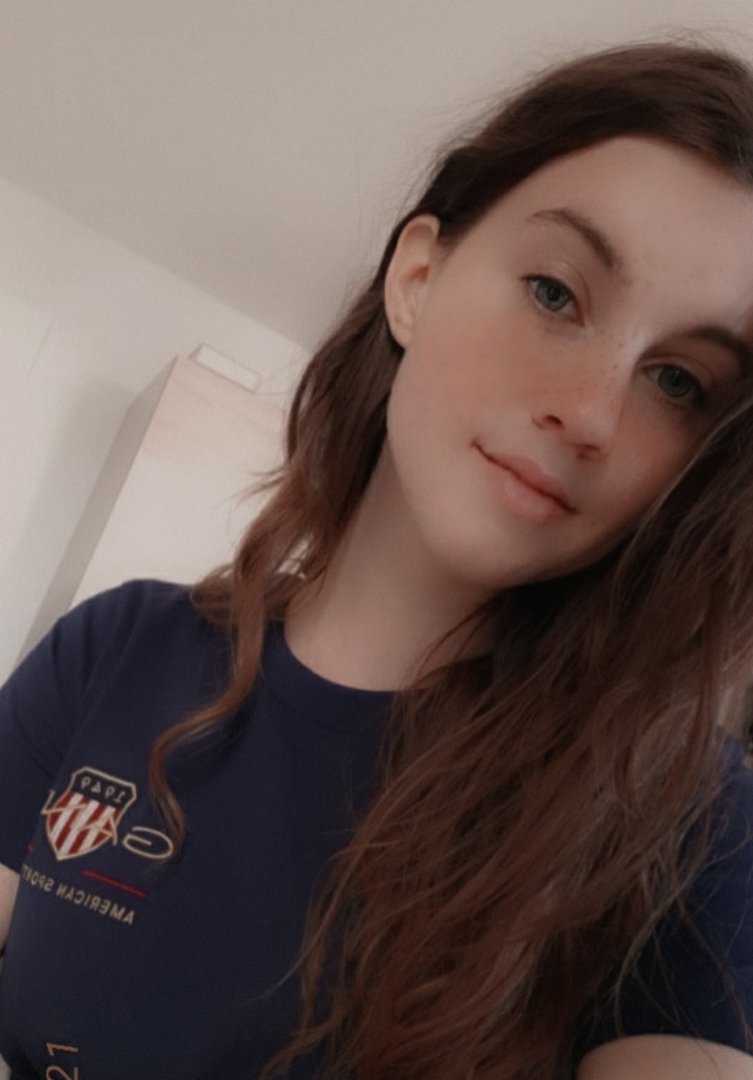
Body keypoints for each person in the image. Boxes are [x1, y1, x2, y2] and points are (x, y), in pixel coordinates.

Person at [1, 38, 753, 1080]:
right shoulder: (115, 649)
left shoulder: (682, 818)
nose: (590, 414)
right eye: (555, 292)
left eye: (677, 382)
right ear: (417, 277)